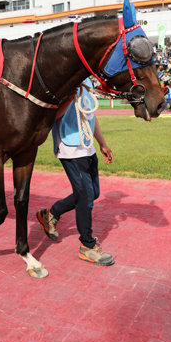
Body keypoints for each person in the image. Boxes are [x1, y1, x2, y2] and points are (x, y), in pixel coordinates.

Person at [36, 80, 115, 266]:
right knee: (85, 195)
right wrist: (70, 96)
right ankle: (87, 246)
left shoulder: (86, 82)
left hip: (87, 147)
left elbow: (90, 115)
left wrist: (102, 143)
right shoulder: (66, 78)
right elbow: (50, 117)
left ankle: (51, 213)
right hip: (70, 147)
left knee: (92, 193)